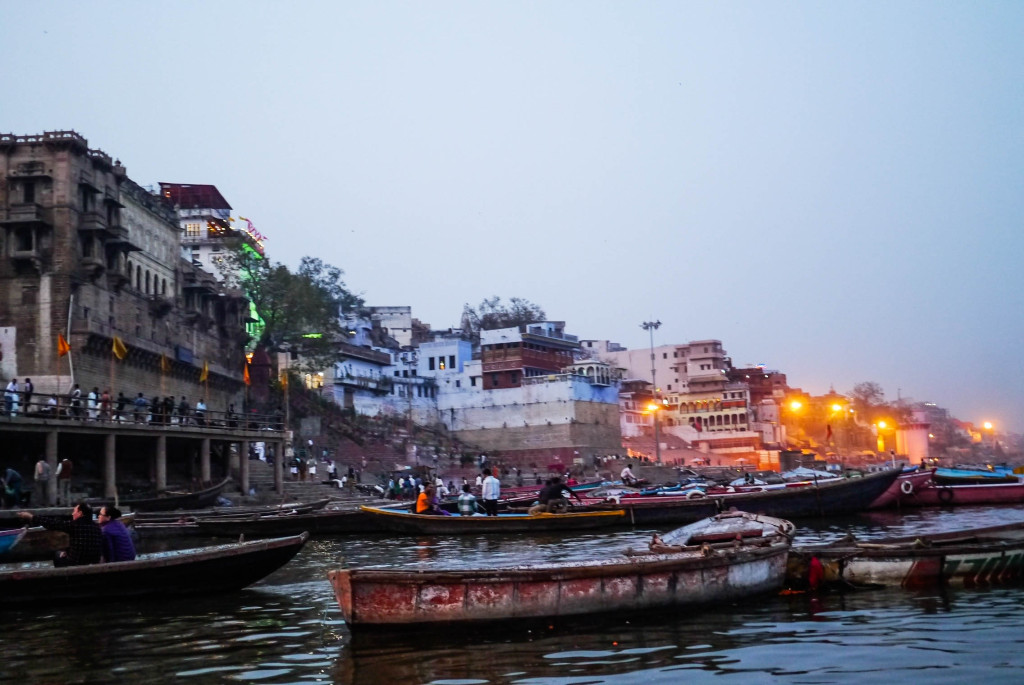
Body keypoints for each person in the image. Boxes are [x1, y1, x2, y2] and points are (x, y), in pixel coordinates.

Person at [17, 501, 103, 567]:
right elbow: (84, 544)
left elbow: (53, 524)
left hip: (76, 563)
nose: (72, 513)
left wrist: (31, 517)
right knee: (64, 552)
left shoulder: (75, 525)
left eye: (74, 511)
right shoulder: (97, 527)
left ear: (80, 513)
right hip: (92, 562)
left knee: (57, 554)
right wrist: (67, 551)